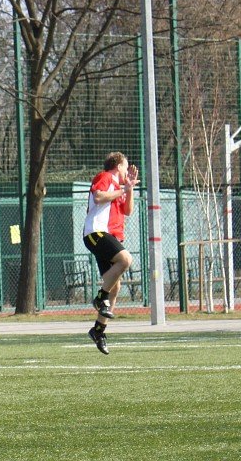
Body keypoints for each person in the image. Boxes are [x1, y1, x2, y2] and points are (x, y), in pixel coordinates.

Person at [83, 152, 139, 355]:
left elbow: (128, 211)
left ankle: (98, 331)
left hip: (111, 237)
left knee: (115, 288)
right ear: (117, 165)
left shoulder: (120, 187)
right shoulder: (105, 176)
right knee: (126, 259)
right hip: (96, 233)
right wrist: (123, 188)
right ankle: (100, 297)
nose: (127, 170)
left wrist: (129, 189)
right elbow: (98, 197)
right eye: (125, 166)